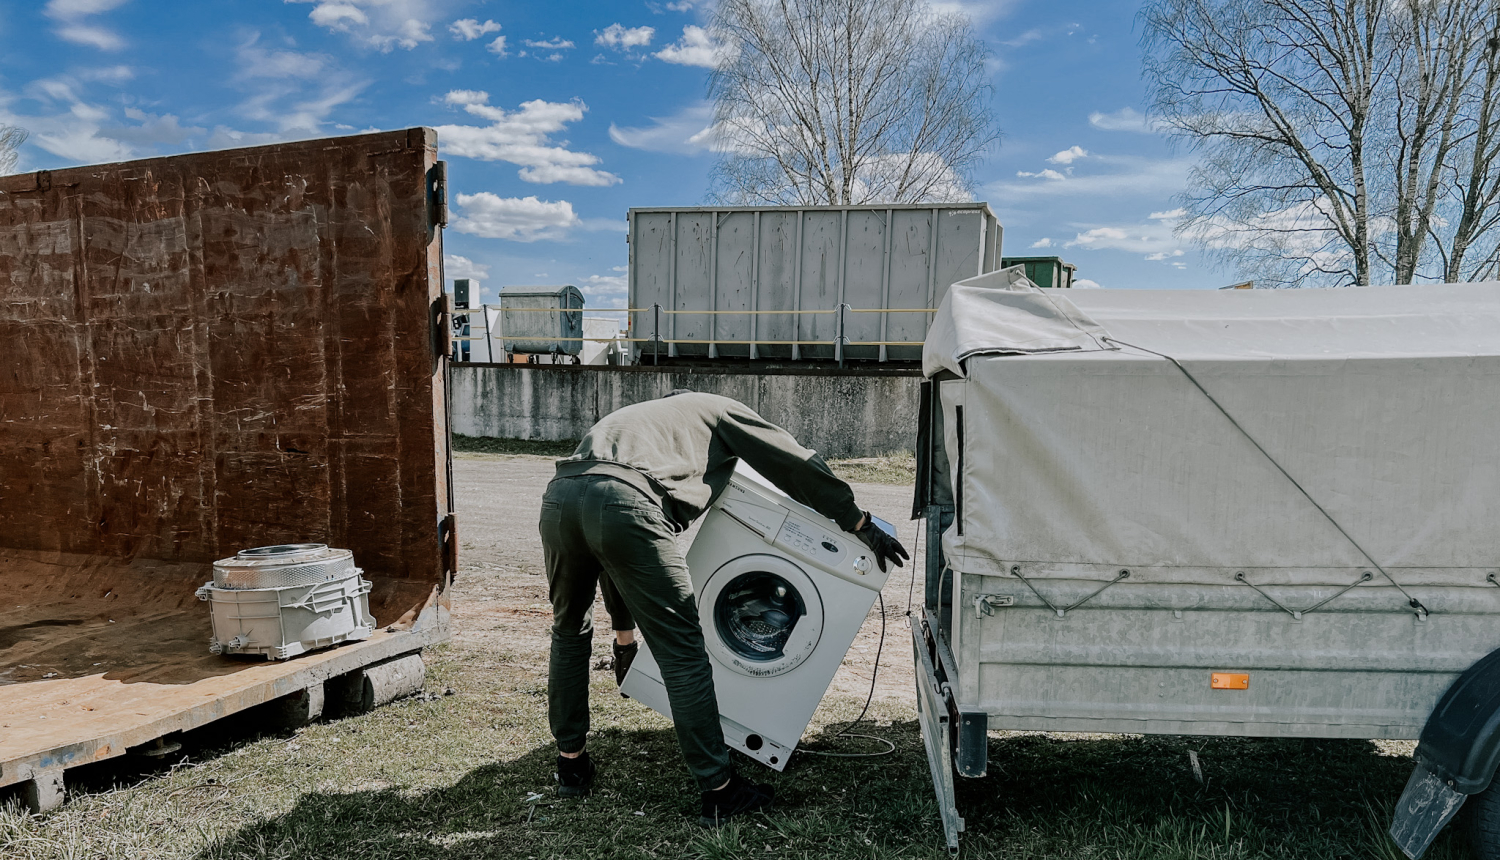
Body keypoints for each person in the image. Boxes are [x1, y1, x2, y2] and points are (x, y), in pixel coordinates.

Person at [538, 390, 908, 827]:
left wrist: (625, 639)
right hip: (629, 504)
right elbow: (791, 462)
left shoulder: (640, 419)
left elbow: (604, 532)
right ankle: (719, 790)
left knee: (569, 631)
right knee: (683, 653)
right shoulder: (718, 409)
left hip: (561, 496)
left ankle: (571, 765)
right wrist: (856, 520)